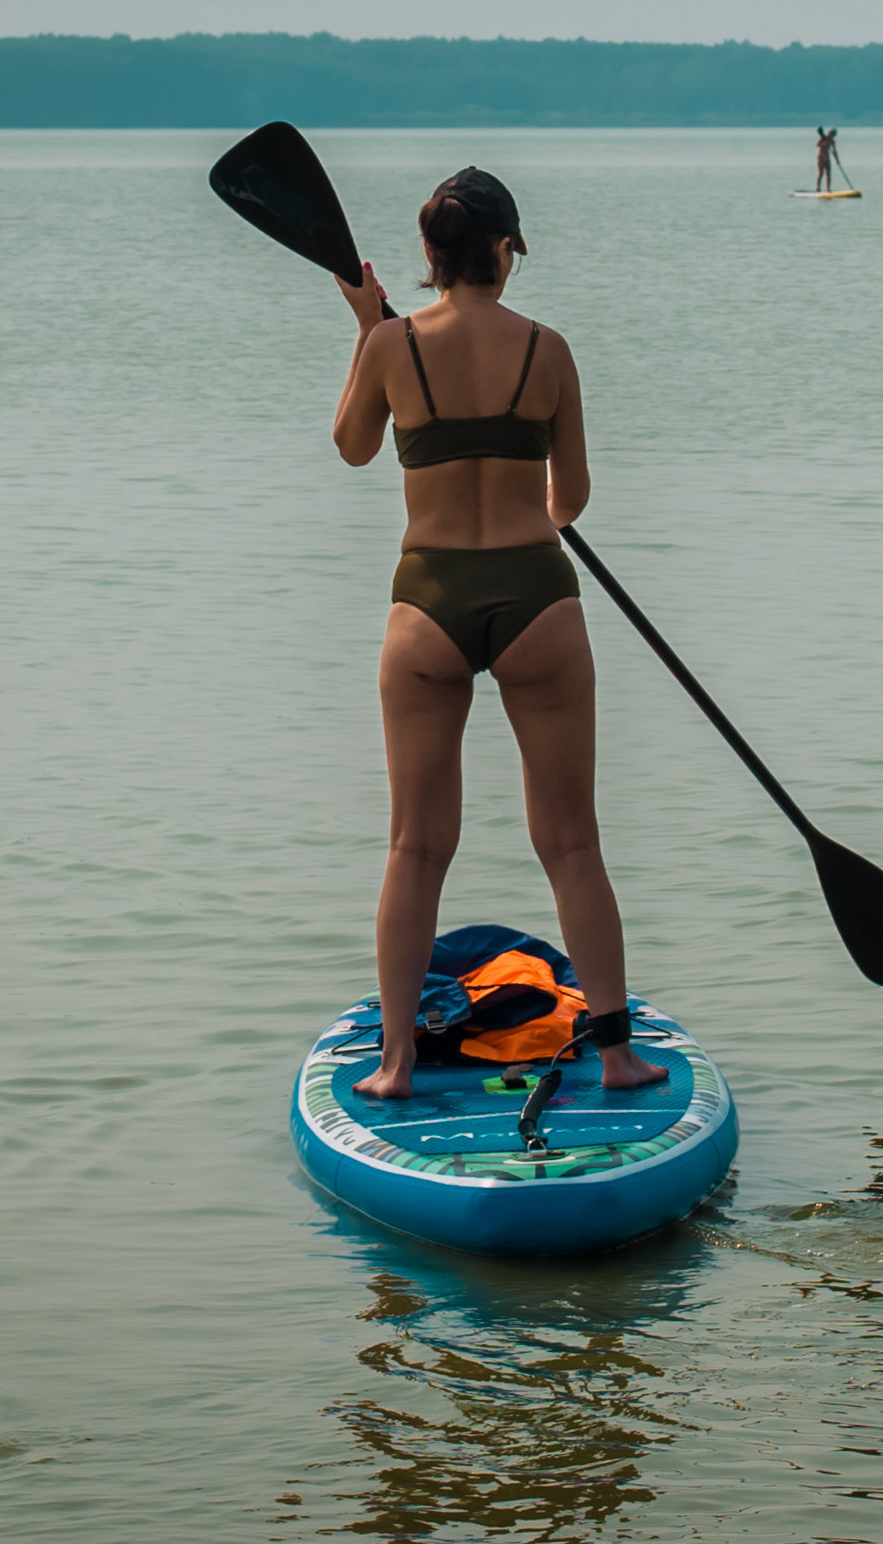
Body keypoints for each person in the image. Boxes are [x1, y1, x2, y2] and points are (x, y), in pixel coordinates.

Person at [327, 166, 666, 1098]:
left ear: (430, 257)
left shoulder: (393, 344)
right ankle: (618, 1052)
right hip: (538, 600)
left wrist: (370, 332)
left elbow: (353, 446)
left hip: (427, 599)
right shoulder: (547, 350)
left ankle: (395, 1066)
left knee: (414, 846)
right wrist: (532, 514)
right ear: (506, 250)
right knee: (572, 844)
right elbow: (574, 497)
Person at [815, 126, 837, 193]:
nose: (833, 135)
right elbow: (817, 144)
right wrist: (823, 143)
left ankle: (828, 189)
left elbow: (834, 151)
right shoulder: (823, 138)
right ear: (830, 133)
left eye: (834, 134)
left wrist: (837, 160)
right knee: (821, 173)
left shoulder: (832, 141)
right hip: (820, 158)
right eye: (832, 134)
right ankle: (818, 188)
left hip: (827, 158)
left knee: (828, 174)